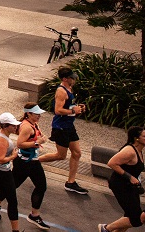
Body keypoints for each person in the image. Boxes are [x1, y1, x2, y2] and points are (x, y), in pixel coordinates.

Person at [100, 127, 145, 232]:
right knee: (137, 219)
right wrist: (130, 177)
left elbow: (132, 165)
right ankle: (106, 228)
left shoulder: (138, 150)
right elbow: (112, 163)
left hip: (130, 186)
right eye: (144, 136)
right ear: (136, 138)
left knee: (129, 215)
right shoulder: (129, 151)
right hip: (120, 185)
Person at [41, 66, 88, 194]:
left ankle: (71, 182)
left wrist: (77, 108)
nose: (74, 80)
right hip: (60, 127)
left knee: (77, 153)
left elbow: (68, 107)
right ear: (65, 79)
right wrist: (73, 110)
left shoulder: (70, 88)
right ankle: (33, 161)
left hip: (69, 126)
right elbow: (58, 110)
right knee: (61, 156)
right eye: (72, 78)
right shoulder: (61, 91)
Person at [14, 103, 52, 230]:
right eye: (36, 113)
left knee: (38, 186)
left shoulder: (33, 124)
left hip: (31, 161)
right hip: (25, 161)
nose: (39, 116)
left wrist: (40, 139)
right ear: (28, 114)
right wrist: (37, 142)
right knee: (16, 185)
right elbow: (19, 144)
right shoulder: (26, 127)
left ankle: (34, 215)